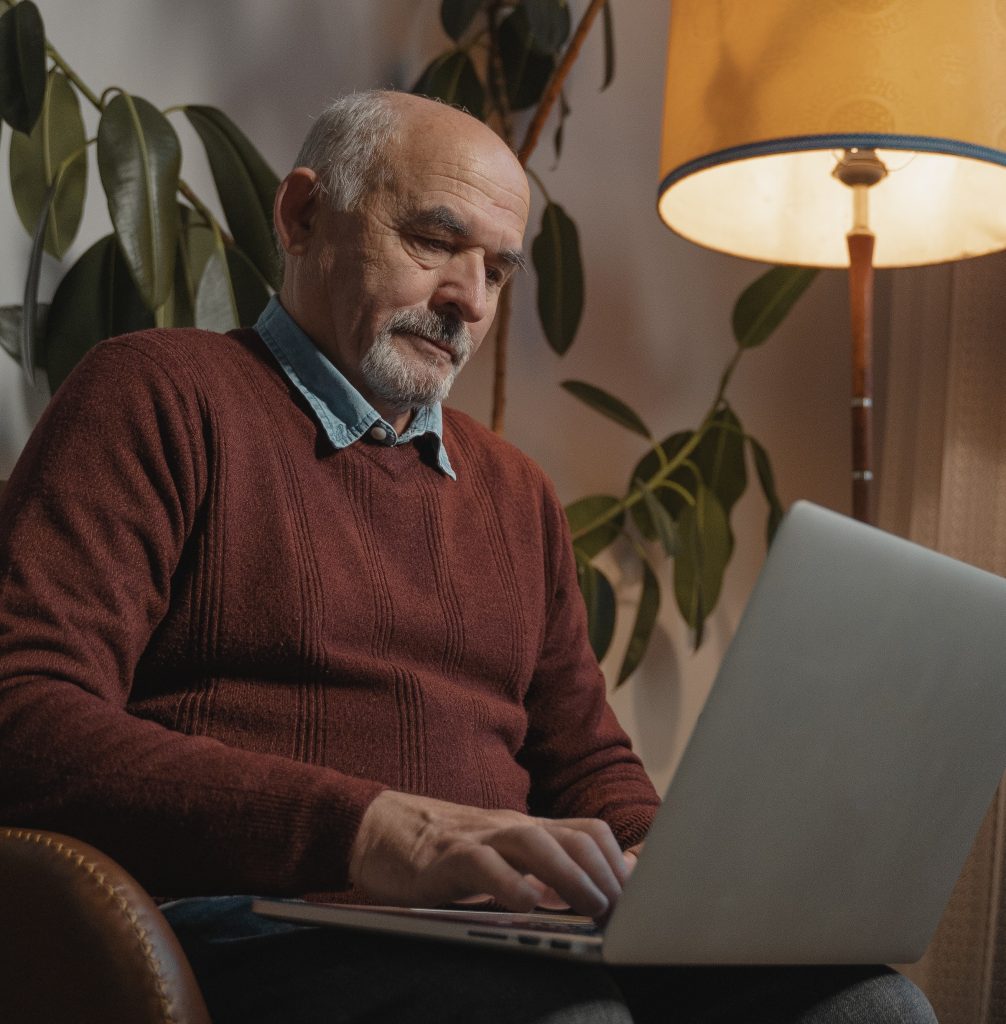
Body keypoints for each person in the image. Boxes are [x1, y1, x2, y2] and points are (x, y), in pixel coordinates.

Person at [0, 90, 935, 1023]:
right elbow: (25, 715)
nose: (468, 299)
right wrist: (374, 830)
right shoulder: (156, 395)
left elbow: (588, 764)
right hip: (267, 928)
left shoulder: (516, 493)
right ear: (301, 215)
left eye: (498, 269)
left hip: (497, 934)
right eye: (434, 242)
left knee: (872, 1007)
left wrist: (667, 872)